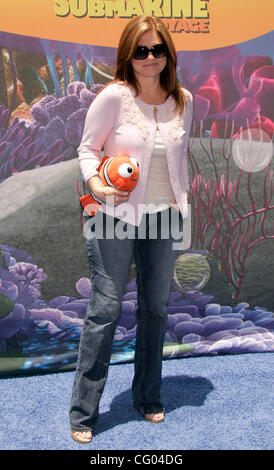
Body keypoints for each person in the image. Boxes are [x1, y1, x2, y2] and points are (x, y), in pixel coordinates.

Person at [69, 15, 193, 444]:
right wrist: (97, 184)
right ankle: (84, 412)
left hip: (164, 220)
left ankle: (148, 397)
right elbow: (87, 149)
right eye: (141, 50)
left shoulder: (183, 100)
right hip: (113, 218)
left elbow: (180, 162)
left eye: (158, 49)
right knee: (104, 311)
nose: (150, 57)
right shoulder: (114, 97)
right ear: (127, 54)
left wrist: (183, 210)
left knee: (155, 312)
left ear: (168, 54)